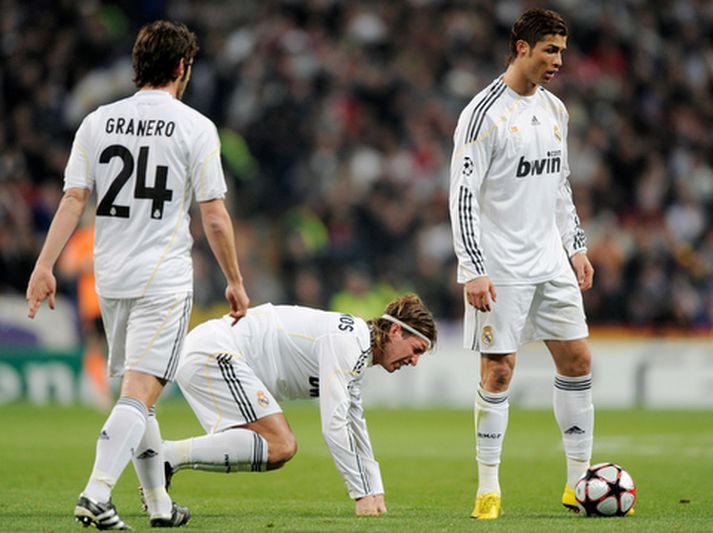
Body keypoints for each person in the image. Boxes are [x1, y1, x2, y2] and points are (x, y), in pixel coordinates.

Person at [26, 20, 250, 530]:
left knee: (137, 392)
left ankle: (160, 507)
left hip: (110, 277)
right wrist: (235, 279)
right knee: (140, 393)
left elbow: (73, 199)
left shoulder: (97, 122)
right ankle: (97, 492)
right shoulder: (196, 127)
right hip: (163, 279)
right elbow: (213, 214)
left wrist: (44, 264)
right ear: (180, 67)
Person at [448, 9, 601, 519]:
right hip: (501, 266)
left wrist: (576, 247)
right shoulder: (483, 114)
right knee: (499, 371)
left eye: (562, 50)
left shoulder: (556, 110)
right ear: (521, 48)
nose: (559, 60)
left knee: (578, 361)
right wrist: (472, 267)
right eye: (549, 50)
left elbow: (560, 187)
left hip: (550, 261)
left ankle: (579, 483)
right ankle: (488, 488)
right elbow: (462, 196)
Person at [158, 293, 436, 517]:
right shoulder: (349, 343)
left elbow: (355, 423)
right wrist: (361, 494)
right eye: (416, 350)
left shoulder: (358, 348)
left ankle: (163, 463)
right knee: (281, 444)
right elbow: (335, 425)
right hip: (215, 350)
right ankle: (165, 455)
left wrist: (375, 492)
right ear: (396, 330)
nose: (414, 362)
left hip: (210, 350)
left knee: (274, 450)